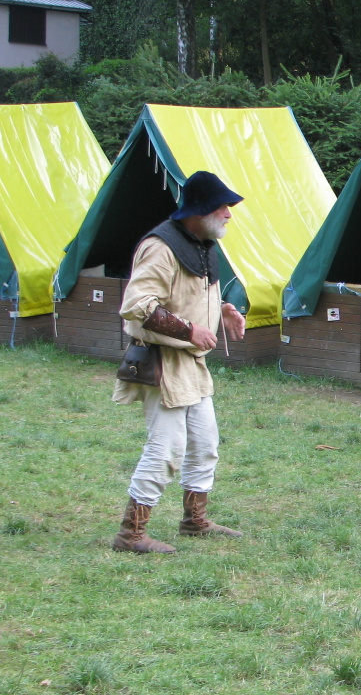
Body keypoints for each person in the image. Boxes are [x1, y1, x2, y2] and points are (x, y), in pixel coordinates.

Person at [110, 171, 248, 554]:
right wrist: (190, 331)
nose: (228, 214)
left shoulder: (202, 244)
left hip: (191, 364)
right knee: (166, 448)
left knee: (204, 444)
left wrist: (222, 309)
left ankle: (194, 520)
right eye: (222, 207)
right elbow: (137, 305)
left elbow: (186, 295)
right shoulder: (160, 247)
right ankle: (130, 533)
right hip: (163, 362)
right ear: (201, 209)